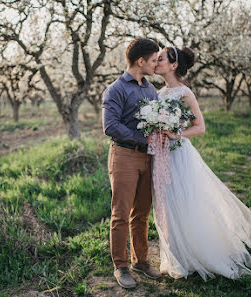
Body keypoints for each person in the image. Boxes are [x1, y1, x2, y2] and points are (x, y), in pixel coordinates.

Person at [152, 46, 251, 281]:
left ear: (174, 65)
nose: (156, 62)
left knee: (185, 202)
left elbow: (200, 127)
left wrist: (175, 134)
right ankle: (177, 255)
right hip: (161, 155)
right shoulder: (159, 92)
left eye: (161, 59)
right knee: (166, 205)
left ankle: (198, 253)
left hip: (179, 154)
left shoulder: (184, 92)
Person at [102, 38, 162, 289]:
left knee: (142, 212)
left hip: (148, 157)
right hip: (124, 155)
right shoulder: (115, 90)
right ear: (140, 61)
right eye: (154, 60)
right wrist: (141, 138)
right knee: (120, 214)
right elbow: (110, 126)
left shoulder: (151, 90)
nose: (157, 64)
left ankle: (141, 261)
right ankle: (121, 265)